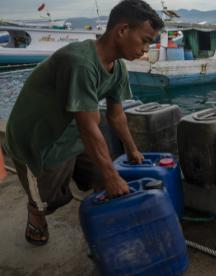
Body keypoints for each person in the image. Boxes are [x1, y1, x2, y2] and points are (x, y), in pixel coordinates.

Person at [3, 0, 164, 246]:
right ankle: (36, 213)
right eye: (145, 40)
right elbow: (88, 127)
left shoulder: (118, 67)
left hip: (72, 132)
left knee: (104, 177)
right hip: (37, 140)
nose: (146, 49)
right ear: (122, 30)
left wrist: (132, 150)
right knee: (49, 201)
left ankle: (106, 232)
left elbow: (116, 115)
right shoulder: (79, 61)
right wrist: (111, 176)